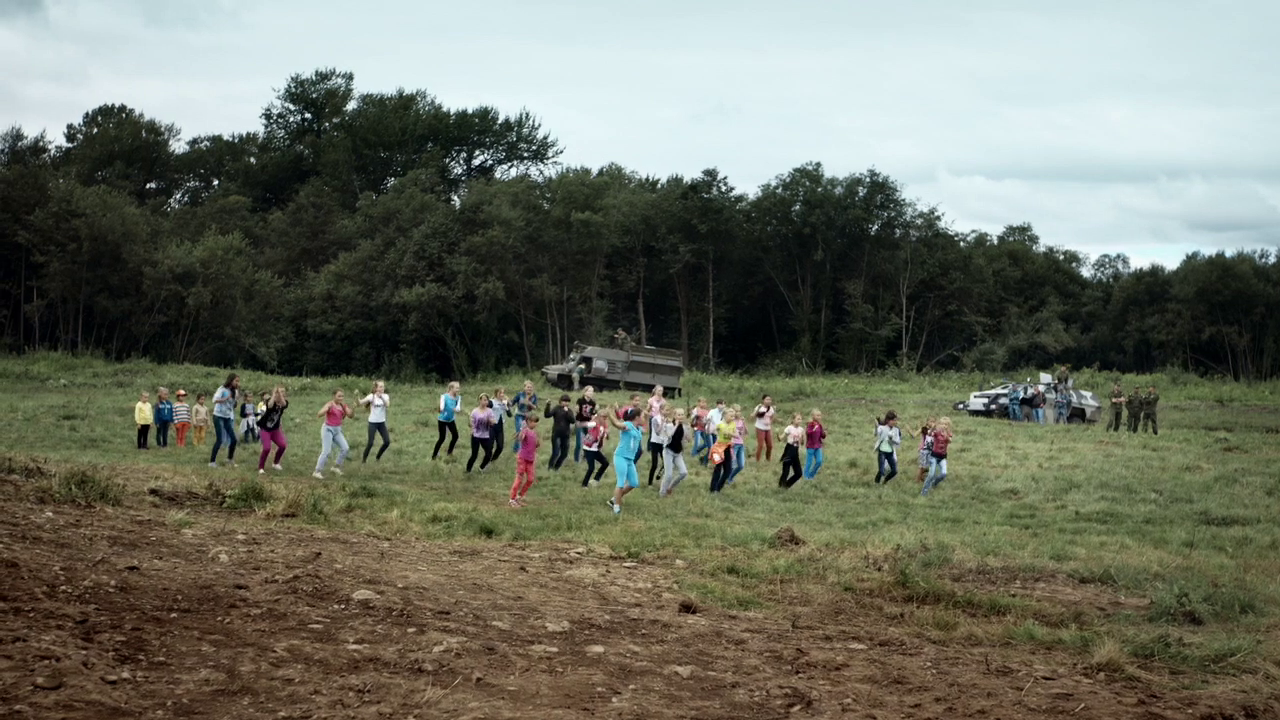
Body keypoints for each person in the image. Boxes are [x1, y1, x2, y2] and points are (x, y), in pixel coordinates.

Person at [607, 406, 646, 514]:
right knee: (621, 482)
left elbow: (645, 429)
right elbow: (617, 424)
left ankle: (614, 499)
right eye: (642, 416)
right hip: (621, 457)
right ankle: (616, 507)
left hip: (630, 460)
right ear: (637, 417)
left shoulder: (638, 429)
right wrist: (609, 414)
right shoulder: (628, 425)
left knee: (633, 483)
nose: (644, 419)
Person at [313, 389, 353, 479]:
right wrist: (325, 410)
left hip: (337, 430)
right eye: (339, 396)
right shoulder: (330, 404)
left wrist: (353, 408)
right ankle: (317, 471)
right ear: (334, 396)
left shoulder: (343, 405)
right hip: (328, 429)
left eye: (342, 396)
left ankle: (335, 467)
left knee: (345, 448)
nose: (341, 398)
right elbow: (319, 414)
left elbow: (350, 415)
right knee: (326, 451)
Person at [510, 414, 540, 507]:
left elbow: (536, 445)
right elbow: (520, 438)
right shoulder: (525, 431)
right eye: (533, 422)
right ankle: (512, 499)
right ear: (528, 422)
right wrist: (522, 430)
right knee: (519, 478)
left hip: (530, 459)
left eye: (536, 422)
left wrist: (536, 453)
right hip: (522, 458)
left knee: (530, 479)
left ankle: (519, 496)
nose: (535, 424)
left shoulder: (535, 433)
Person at [210, 374, 240, 467]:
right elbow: (214, 400)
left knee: (234, 439)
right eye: (236, 381)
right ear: (231, 380)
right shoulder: (222, 389)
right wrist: (225, 398)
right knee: (220, 439)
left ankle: (229, 459)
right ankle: (212, 462)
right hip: (218, 416)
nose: (237, 383)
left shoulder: (235, 391)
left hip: (227, 417)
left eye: (238, 381)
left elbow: (233, 405)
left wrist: (236, 400)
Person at [257, 386, 289, 474]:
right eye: (280, 392)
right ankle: (261, 467)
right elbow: (270, 405)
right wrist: (274, 394)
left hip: (275, 429)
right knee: (267, 448)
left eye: (283, 392)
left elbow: (284, 404)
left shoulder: (284, 403)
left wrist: (280, 395)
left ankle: (275, 463)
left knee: (283, 445)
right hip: (265, 429)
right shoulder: (270, 401)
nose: (282, 394)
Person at [359, 381, 392, 463]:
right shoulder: (372, 396)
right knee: (370, 443)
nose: (382, 388)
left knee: (387, 442)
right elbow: (361, 402)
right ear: (376, 388)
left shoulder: (385, 396)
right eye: (380, 387)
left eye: (383, 386)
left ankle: (378, 457)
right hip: (372, 423)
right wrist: (357, 398)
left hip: (381, 423)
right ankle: (364, 460)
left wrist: (381, 397)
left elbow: (387, 405)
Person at [659, 408, 689, 497]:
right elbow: (669, 435)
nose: (681, 416)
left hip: (678, 453)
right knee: (668, 475)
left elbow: (688, 439)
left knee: (684, 473)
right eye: (679, 415)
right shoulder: (669, 425)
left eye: (682, 414)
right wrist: (676, 425)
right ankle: (662, 493)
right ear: (675, 416)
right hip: (668, 451)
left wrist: (689, 429)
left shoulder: (684, 427)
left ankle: (670, 487)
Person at [921, 417, 953, 497]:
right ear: (939, 425)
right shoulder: (937, 432)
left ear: (948, 426)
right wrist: (933, 428)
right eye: (942, 424)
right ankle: (924, 491)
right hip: (934, 457)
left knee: (944, 473)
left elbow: (950, 441)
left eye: (946, 424)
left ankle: (934, 483)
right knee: (931, 474)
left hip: (943, 457)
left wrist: (946, 436)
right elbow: (929, 434)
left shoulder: (949, 433)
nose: (944, 426)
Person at [466, 394, 497, 473]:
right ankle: (468, 470)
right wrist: (471, 426)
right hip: (476, 436)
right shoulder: (475, 411)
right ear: (480, 400)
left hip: (485, 436)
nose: (486, 402)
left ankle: (481, 467)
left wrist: (491, 422)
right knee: (474, 455)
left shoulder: (489, 411)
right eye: (484, 400)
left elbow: (493, 422)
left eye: (487, 400)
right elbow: (470, 423)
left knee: (489, 453)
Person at [708, 408, 736, 493]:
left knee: (728, 470)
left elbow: (736, 434)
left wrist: (732, 437)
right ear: (724, 415)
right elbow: (712, 431)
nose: (732, 418)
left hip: (727, 447)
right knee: (718, 468)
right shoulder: (720, 424)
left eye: (733, 416)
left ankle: (718, 487)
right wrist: (713, 429)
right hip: (718, 448)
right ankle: (713, 489)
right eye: (731, 416)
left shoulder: (733, 424)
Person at [580, 410, 610, 487]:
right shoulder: (594, 424)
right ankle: (584, 485)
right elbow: (585, 425)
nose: (605, 419)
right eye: (603, 417)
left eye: (606, 418)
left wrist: (607, 434)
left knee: (605, 463)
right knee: (591, 468)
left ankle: (595, 480)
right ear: (599, 417)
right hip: (588, 449)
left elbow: (606, 437)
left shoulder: (603, 427)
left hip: (595, 449)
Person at [544, 394, 575, 470]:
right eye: (564, 401)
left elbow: (573, 421)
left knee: (564, 454)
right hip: (556, 434)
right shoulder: (556, 408)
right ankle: (550, 468)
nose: (566, 403)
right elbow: (547, 415)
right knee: (556, 453)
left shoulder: (569, 411)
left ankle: (556, 468)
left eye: (567, 401)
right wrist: (548, 406)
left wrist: (567, 412)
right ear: (560, 401)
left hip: (566, 435)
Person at [433, 381, 462, 460]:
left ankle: (449, 452)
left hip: (451, 420)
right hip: (442, 420)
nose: (458, 389)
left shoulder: (458, 398)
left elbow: (458, 408)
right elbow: (441, 406)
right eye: (456, 388)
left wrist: (456, 409)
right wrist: (441, 408)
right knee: (442, 438)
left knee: (455, 436)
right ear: (451, 388)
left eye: (458, 388)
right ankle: (434, 455)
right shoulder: (444, 396)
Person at [776, 413, 805, 489]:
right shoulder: (789, 428)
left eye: (800, 419)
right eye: (798, 419)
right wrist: (777, 434)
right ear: (793, 420)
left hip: (795, 451)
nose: (799, 421)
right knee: (786, 471)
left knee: (799, 473)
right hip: (789, 450)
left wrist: (802, 438)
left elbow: (802, 443)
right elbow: (780, 438)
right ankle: (781, 486)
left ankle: (786, 485)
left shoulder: (801, 429)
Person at [873, 410, 901, 484]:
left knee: (894, 471)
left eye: (895, 420)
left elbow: (898, 442)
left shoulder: (896, 430)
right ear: (888, 420)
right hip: (882, 452)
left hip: (890, 452)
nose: (895, 422)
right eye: (893, 420)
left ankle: (885, 481)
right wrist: (876, 427)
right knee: (881, 470)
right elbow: (876, 434)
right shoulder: (882, 428)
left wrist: (892, 439)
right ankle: (876, 483)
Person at [573, 386, 598, 464]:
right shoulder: (580, 401)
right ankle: (576, 460)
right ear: (585, 392)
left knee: (588, 441)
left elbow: (593, 414)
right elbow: (576, 411)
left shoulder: (593, 403)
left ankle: (585, 457)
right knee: (579, 443)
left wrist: (595, 414)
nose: (591, 393)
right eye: (589, 391)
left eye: (592, 391)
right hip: (580, 423)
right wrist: (576, 410)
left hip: (588, 424)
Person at [646, 406, 670, 486]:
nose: (668, 412)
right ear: (661, 410)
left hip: (663, 443)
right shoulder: (655, 419)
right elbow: (657, 432)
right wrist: (662, 423)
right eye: (666, 410)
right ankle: (650, 483)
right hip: (655, 442)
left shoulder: (668, 420)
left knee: (666, 462)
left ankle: (659, 475)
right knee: (654, 464)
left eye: (668, 410)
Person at [512, 381, 539, 452]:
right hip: (519, 415)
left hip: (528, 417)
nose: (529, 389)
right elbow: (513, 402)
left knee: (525, 432)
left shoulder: (534, 396)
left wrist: (530, 403)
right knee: (520, 430)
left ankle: (516, 448)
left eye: (530, 387)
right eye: (528, 387)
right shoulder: (520, 394)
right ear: (524, 388)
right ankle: (519, 450)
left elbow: (535, 407)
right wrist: (508, 403)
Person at [726, 405, 748, 484]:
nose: (738, 413)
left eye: (739, 411)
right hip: (733, 444)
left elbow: (745, 432)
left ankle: (730, 477)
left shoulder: (741, 421)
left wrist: (744, 423)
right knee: (732, 464)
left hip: (740, 444)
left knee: (741, 465)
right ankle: (727, 479)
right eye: (736, 411)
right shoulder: (730, 421)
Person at [490, 388, 512, 462]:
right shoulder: (491, 402)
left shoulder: (504, 403)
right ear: (496, 394)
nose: (502, 395)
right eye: (500, 393)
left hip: (500, 427)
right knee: (490, 446)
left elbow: (510, 415)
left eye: (503, 393)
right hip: (491, 426)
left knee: (500, 446)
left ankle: (493, 459)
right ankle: (487, 459)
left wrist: (506, 407)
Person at [804, 409, 826, 480]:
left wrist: (824, 433)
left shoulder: (820, 425)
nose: (819, 417)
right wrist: (813, 429)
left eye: (820, 415)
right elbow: (807, 432)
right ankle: (805, 476)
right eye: (817, 415)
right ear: (813, 416)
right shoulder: (810, 425)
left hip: (818, 446)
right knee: (809, 463)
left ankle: (811, 475)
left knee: (819, 461)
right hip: (810, 446)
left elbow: (822, 436)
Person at [702, 399, 725, 466]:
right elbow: (708, 420)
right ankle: (705, 462)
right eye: (721, 404)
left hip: (716, 432)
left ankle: (704, 459)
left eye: (724, 404)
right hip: (709, 431)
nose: (723, 406)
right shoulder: (712, 411)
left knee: (714, 448)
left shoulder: (724, 413)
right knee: (711, 447)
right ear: (717, 405)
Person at [753, 395, 776, 462]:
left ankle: (768, 459)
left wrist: (770, 422)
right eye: (767, 399)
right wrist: (758, 409)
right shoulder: (759, 407)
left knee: (770, 445)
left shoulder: (771, 408)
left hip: (767, 428)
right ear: (763, 400)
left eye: (770, 399)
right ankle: (757, 460)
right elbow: (753, 416)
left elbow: (773, 416)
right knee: (760, 445)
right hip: (760, 427)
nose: (769, 401)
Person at [915, 417, 936, 484]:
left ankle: (922, 477)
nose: (932, 423)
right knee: (922, 466)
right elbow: (928, 433)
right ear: (927, 422)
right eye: (930, 421)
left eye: (933, 422)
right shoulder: (924, 429)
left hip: (931, 451)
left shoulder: (935, 430)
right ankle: (917, 480)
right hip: (924, 450)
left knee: (929, 466)